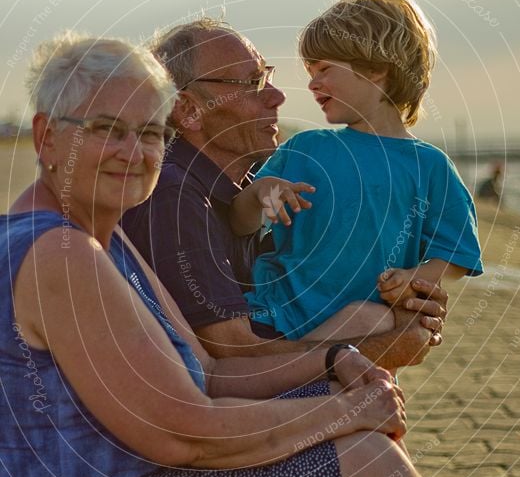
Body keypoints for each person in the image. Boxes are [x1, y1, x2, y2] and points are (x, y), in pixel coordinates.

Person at [0, 30, 517, 477]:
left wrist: (333, 364)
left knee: (340, 423)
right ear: (46, 135)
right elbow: (184, 432)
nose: (134, 150)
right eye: (105, 128)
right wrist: (347, 412)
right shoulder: (59, 254)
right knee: (361, 462)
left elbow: (209, 369)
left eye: (148, 133)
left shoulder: (102, 234)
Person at [122, 18, 446, 366]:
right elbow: (236, 356)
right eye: (251, 83)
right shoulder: (174, 196)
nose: (277, 96)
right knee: (366, 377)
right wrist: (398, 341)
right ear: (189, 110)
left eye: (268, 76)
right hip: (211, 410)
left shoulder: (243, 190)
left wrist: (409, 296)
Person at [231, 0, 483, 342]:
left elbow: (457, 252)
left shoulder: (430, 167)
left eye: (323, 69)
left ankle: (307, 369)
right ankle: (296, 368)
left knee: (374, 323)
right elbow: (240, 224)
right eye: (309, 70)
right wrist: (259, 194)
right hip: (277, 315)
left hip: (362, 333)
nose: (312, 82)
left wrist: (415, 276)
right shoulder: (306, 148)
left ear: (376, 68)